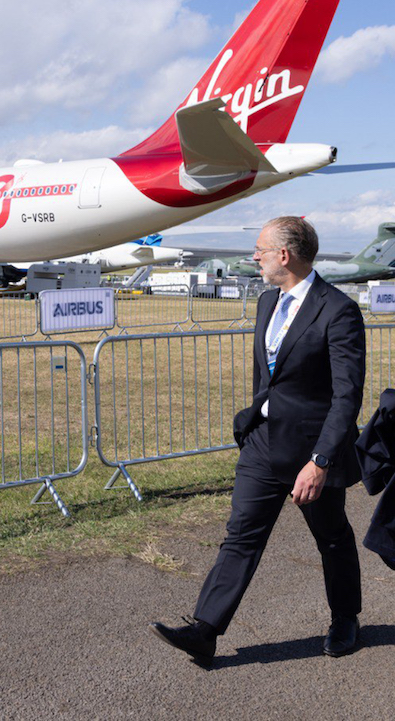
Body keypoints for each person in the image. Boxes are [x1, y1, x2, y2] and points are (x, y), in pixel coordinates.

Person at [150, 216, 366, 665]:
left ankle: (345, 617)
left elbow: (347, 395)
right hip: (263, 444)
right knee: (241, 536)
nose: (255, 258)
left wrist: (321, 461)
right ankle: (205, 631)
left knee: (331, 537)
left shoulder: (338, 309)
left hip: (311, 451)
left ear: (283, 255)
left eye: (260, 250)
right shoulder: (268, 302)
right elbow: (268, 378)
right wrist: (252, 426)